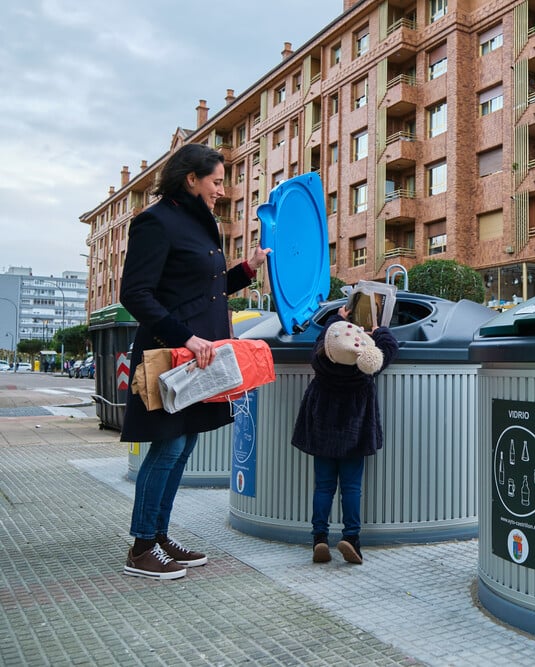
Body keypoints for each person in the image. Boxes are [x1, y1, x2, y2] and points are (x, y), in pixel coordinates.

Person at [119, 143, 271, 580]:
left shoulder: (196, 224)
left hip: (199, 357)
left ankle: (160, 537)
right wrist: (186, 336)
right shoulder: (155, 222)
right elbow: (134, 294)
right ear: (191, 179)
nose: (222, 190)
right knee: (166, 446)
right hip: (172, 354)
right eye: (217, 181)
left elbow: (203, 288)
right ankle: (142, 546)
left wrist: (247, 268)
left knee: (183, 445)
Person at [291, 306, 398, 565]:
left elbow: (325, 337)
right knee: (351, 488)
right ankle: (352, 538)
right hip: (354, 435)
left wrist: (338, 317)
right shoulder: (364, 366)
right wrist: (380, 331)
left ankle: (319, 539)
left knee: (323, 486)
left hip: (323, 433)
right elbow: (389, 347)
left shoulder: (320, 359)